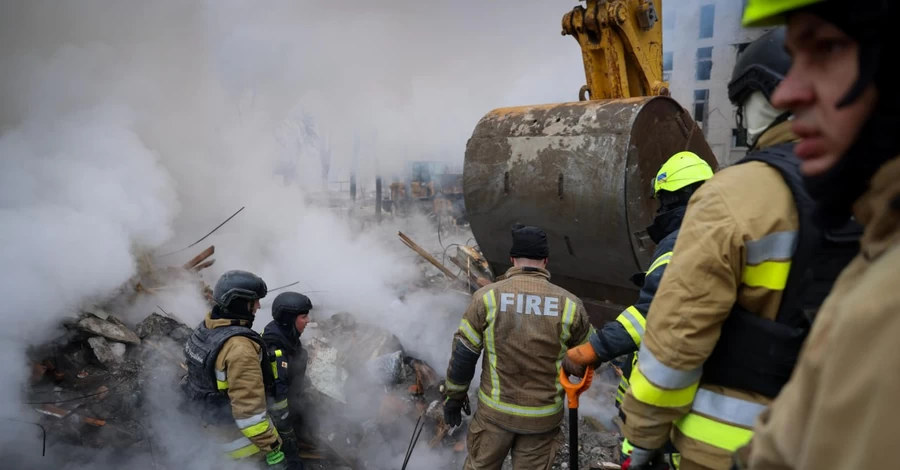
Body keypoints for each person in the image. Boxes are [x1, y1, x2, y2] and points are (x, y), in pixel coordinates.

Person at [616, 26, 860, 470]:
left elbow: (677, 340)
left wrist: (642, 438)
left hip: (733, 448)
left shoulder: (733, 197)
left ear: (761, 101)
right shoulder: (875, 193)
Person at [734, 1, 900, 469]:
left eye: (827, 47)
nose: (786, 93)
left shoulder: (888, 298)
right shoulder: (874, 257)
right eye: (795, 56)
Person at [563, 151, 714, 466]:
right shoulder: (717, 236)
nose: (659, 209)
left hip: (669, 406)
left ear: (673, 198)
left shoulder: (685, 240)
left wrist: (594, 349)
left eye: (662, 200)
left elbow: (656, 311)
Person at [442, 224, 594, 470]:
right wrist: (566, 364)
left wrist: (454, 397)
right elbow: (589, 356)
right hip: (542, 420)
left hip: (494, 417)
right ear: (545, 261)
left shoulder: (487, 298)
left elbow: (464, 355)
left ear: (512, 259)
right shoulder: (570, 305)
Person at [182, 270, 298, 470]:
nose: (258, 306)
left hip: (209, 433)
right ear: (239, 303)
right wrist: (272, 448)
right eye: (254, 301)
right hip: (243, 446)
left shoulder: (206, 330)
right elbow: (249, 412)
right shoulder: (240, 349)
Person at [262, 292, 313, 469]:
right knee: (292, 462)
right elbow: (277, 398)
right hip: (276, 418)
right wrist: (286, 431)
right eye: (303, 316)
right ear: (288, 319)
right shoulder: (275, 350)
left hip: (292, 403)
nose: (308, 321)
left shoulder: (287, 337)